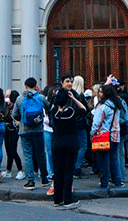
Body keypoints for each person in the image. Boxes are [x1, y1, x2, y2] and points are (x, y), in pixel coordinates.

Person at [51, 81, 87, 209]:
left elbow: (53, 107)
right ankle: (67, 200)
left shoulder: (54, 112)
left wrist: (57, 98)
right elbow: (84, 109)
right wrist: (73, 98)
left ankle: (57, 199)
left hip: (56, 144)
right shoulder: (71, 111)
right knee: (68, 172)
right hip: (70, 144)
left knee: (58, 171)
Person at [13, 77, 50, 190]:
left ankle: (30, 181)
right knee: (41, 154)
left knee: (28, 155)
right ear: (36, 85)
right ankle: (44, 178)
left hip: (24, 130)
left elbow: (15, 114)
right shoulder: (40, 97)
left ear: (25, 86)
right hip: (38, 129)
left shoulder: (20, 98)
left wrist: (23, 119)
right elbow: (49, 107)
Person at [91, 82, 124, 189]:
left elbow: (96, 123)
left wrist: (91, 133)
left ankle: (104, 182)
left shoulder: (102, 106)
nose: (99, 94)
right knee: (114, 159)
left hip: (103, 136)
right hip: (115, 135)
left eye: (101, 92)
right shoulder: (116, 104)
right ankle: (117, 181)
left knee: (103, 161)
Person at [4, 90, 24, 179]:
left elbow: (7, 102)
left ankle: (20, 170)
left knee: (13, 151)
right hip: (8, 129)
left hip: (14, 130)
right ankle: (8, 170)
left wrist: (7, 94)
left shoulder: (15, 106)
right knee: (8, 151)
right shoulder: (10, 106)